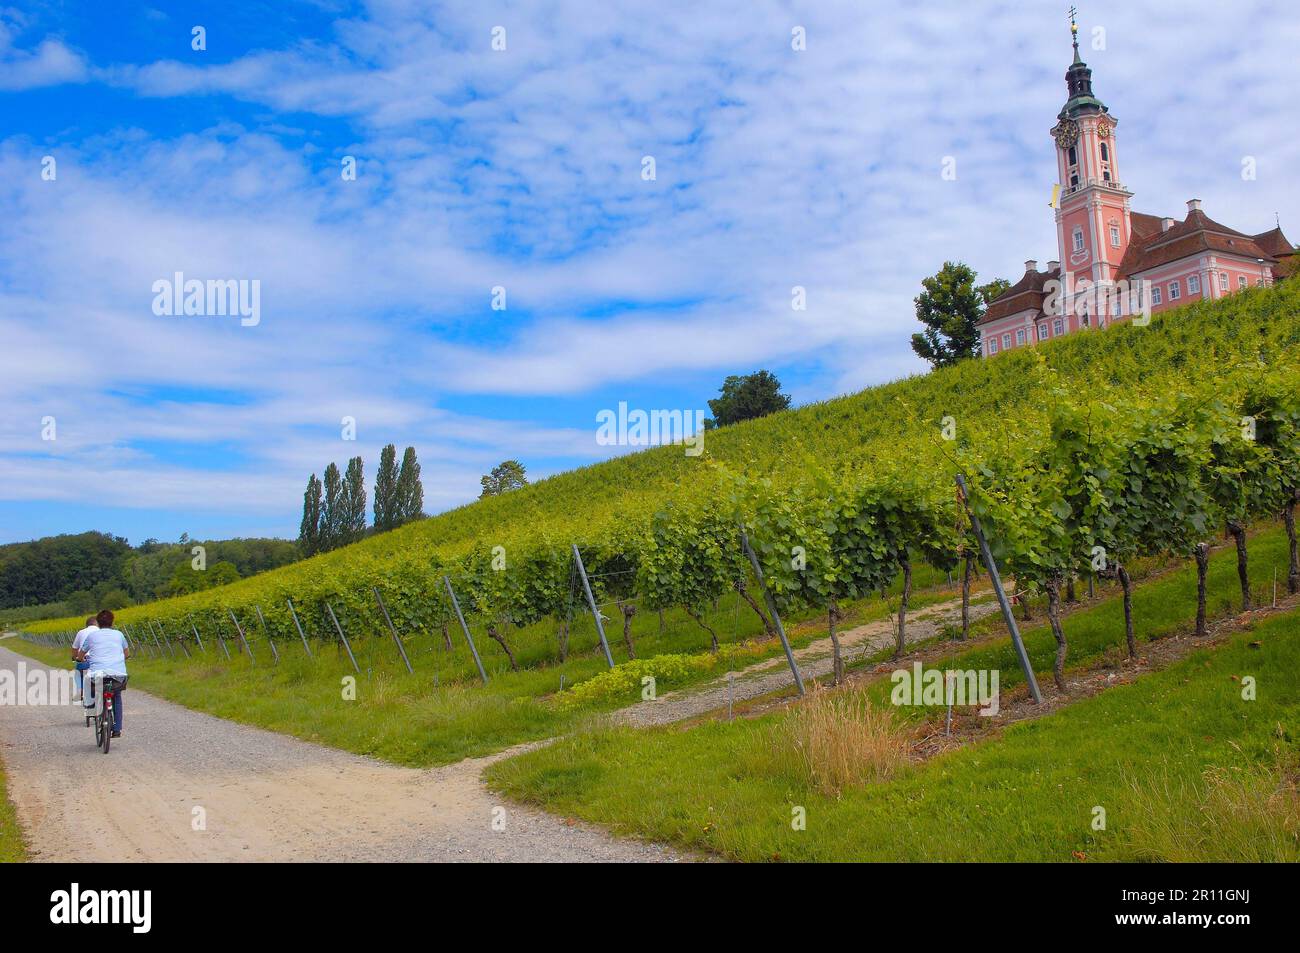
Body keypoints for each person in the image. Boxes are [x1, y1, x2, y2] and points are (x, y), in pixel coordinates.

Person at [76, 609, 130, 738]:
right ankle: (117, 729)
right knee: (116, 696)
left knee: (91, 686)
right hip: (118, 675)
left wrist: (80, 659)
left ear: (98, 623)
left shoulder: (92, 636)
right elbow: (126, 653)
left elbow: (81, 654)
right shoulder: (119, 635)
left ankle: (92, 706)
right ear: (112, 622)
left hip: (97, 675)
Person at [70, 616, 98, 700]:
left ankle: (81, 690)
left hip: (85, 659)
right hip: (99, 660)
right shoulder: (101, 631)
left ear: (87, 625)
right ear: (97, 624)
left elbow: (75, 648)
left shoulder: (81, 632)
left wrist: (76, 658)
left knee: (79, 674)